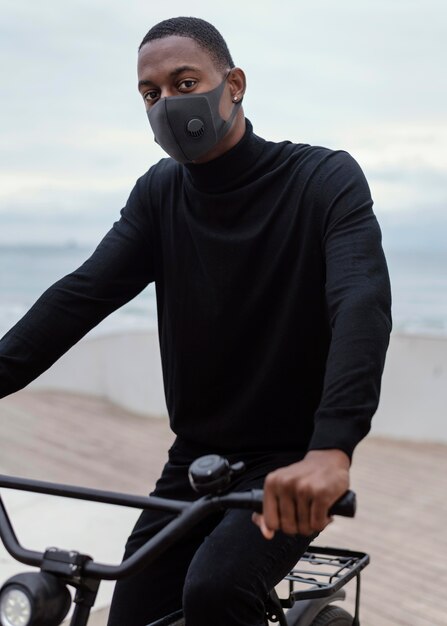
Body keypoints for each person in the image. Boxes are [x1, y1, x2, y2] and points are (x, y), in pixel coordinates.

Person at [0, 16, 392, 626]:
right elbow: (79, 297)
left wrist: (331, 450)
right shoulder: (158, 195)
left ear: (233, 84)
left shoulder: (322, 180)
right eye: (150, 94)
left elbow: (361, 302)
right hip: (196, 459)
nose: (167, 105)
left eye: (185, 83)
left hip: (293, 462)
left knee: (216, 590)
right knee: (131, 610)